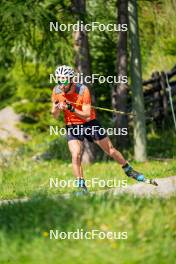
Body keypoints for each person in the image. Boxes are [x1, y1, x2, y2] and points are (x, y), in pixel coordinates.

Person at [51, 65, 156, 193]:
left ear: (71, 79)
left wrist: (71, 108)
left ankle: (129, 170)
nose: (62, 83)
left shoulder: (82, 90)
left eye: (65, 80)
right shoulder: (57, 91)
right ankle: (81, 187)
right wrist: (57, 108)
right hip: (72, 125)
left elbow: (87, 114)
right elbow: (55, 116)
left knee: (110, 150)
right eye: (59, 80)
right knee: (75, 154)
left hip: (89, 123)